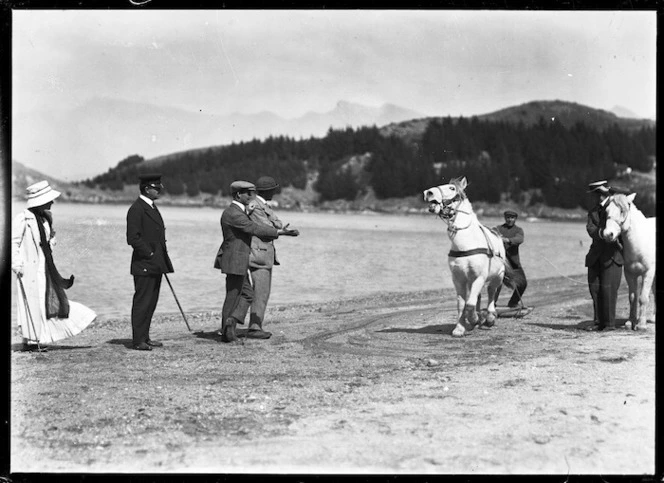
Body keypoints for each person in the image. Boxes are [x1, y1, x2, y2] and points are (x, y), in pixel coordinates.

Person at [11, 180, 96, 352]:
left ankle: (38, 338)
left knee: (46, 300)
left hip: (46, 266)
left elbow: (49, 239)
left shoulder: (46, 218)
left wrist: (51, 241)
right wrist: (17, 264)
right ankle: (32, 340)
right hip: (29, 268)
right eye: (49, 199)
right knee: (33, 301)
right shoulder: (23, 219)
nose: (52, 202)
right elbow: (13, 243)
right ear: (40, 201)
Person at [217, 181, 298, 344]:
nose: (251, 196)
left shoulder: (240, 211)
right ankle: (228, 329)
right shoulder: (234, 213)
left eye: (253, 193)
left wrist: (277, 229)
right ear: (239, 195)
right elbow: (254, 228)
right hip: (235, 258)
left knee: (243, 293)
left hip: (238, 258)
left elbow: (253, 226)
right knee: (236, 295)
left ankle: (229, 326)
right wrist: (279, 232)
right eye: (248, 193)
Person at [247, 176, 300, 339]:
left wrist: (279, 228)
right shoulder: (256, 206)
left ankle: (253, 325)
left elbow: (275, 224)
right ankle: (254, 327)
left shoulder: (259, 204)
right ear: (268, 190)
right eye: (274, 189)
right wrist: (282, 231)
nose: (276, 192)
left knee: (260, 291)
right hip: (259, 253)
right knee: (260, 291)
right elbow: (268, 227)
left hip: (261, 252)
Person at [126, 173, 174, 351]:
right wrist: (151, 253)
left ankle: (145, 337)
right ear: (147, 189)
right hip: (145, 264)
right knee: (142, 302)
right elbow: (132, 238)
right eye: (156, 188)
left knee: (151, 302)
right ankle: (138, 340)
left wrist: (158, 257)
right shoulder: (137, 209)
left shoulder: (151, 207)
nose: (159, 190)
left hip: (155, 263)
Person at [584, 180, 623, 331]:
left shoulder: (615, 207)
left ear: (600, 195)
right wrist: (601, 233)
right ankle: (599, 322)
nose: (592, 198)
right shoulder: (593, 211)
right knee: (595, 289)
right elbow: (590, 229)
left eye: (594, 194)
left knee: (609, 291)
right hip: (595, 256)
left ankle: (610, 324)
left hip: (612, 256)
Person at [495, 209, 528, 309]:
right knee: (497, 283)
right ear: (505, 218)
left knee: (522, 284)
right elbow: (491, 234)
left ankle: (513, 303)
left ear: (515, 219)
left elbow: (519, 239)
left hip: (513, 263)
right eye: (508, 217)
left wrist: (507, 240)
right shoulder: (498, 228)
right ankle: (492, 304)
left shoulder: (518, 230)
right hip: (500, 262)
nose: (510, 219)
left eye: (512, 218)